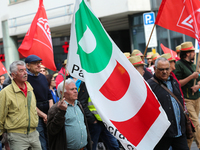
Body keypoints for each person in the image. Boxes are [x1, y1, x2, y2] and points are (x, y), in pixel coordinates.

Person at [147, 57, 189, 150]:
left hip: (179, 131)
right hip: (162, 134)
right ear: (155, 69)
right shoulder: (150, 85)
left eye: (167, 69)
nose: (165, 72)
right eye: (161, 69)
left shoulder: (174, 82)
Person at [0, 60, 42, 150]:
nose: (25, 73)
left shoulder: (30, 89)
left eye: (25, 70)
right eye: (21, 71)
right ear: (13, 75)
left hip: (34, 133)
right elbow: (1, 116)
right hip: (16, 136)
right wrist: (4, 138)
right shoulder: (5, 92)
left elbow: (33, 108)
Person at [47, 78, 92, 150]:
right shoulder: (56, 108)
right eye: (72, 89)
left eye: (75, 88)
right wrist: (61, 112)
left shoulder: (78, 105)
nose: (75, 91)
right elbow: (52, 130)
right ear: (62, 93)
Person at [173, 41, 200, 149]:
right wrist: (191, 77)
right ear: (188, 53)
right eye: (193, 51)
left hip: (196, 98)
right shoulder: (179, 65)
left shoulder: (193, 65)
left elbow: (198, 79)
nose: (194, 53)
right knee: (196, 125)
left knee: (191, 128)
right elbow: (177, 83)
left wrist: (198, 86)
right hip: (187, 100)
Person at [78, 82, 120, 150]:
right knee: (91, 147)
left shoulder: (103, 81)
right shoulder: (85, 83)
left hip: (105, 121)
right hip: (94, 123)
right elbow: (81, 103)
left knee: (114, 146)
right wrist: (92, 120)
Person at [25, 55, 53, 150]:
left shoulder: (42, 77)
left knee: (51, 140)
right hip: (35, 116)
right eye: (35, 63)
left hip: (48, 113)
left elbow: (49, 95)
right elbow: (29, 102)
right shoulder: (25, 80)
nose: (39, 65)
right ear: (28, 66)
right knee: (41, 143)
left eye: (39, 63)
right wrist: (43, 115)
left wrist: (50, 112)